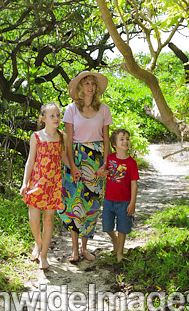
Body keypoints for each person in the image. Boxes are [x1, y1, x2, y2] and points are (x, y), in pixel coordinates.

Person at [59, 71, 113, 262]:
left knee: (92, 204)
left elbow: (106, 140)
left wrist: (105, 164)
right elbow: (67, 141)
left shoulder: (104, 109)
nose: (90, 86)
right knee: (75, 202)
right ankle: (74, 249)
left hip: (96, 160)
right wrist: (72, 166)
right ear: (81, 88)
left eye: (92, 84)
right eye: (86, 83)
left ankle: (84, 248)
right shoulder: (71, 109)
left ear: (96, 88)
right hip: (75, 158)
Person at [20, 102, 68, 270]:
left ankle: (44, 255)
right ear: (43, 118)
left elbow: (63, 157)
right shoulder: (36, 136)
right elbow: (30, 161)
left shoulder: (62, 136)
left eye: (58, 115)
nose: (56, 119)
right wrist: (25, 182)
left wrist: (74, 169)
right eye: (52, 116)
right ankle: (38, 243)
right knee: (34, 220)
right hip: (37, 182)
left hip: (54, 183)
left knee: (48, 219)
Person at [102, 128, 139, 262]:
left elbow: (134, 184)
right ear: (114, 144)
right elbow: (102, 172)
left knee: (122, 228)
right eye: (122, 139)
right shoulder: (109, 158)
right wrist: (102, 172)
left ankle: (119, 254)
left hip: (124, 202)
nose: (125, 141)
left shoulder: (132, 163)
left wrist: (132, 203)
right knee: (107, 226)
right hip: (108, 200)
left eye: (127, 139)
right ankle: (115, 240)